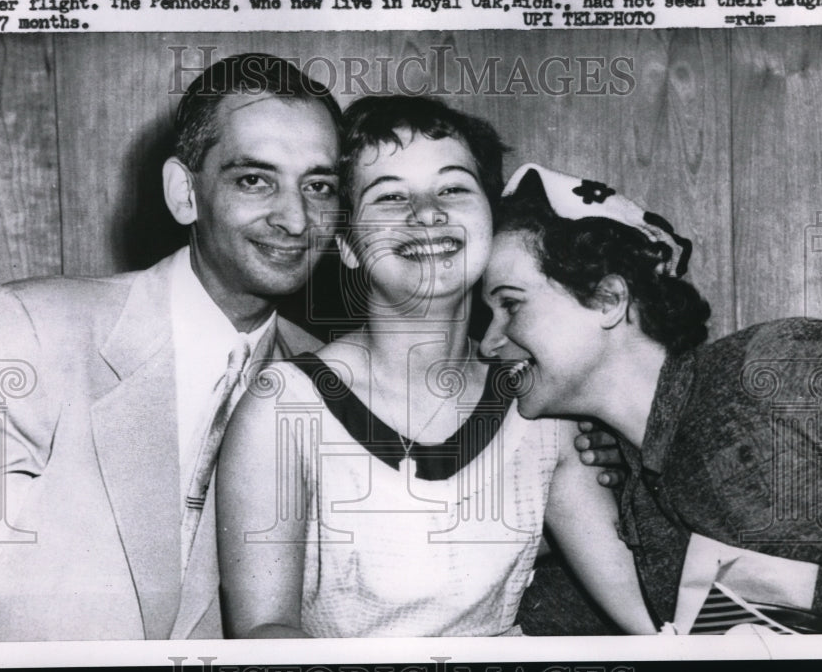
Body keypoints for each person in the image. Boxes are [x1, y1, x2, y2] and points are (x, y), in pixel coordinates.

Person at [0, 53, 343, 641]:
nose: (296, 219)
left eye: (318, 186)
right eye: (254, 180)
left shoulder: (331, 386)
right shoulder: (33, 328)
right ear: (184, 193)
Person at [216, 96, 655, 638]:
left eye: (453, 188)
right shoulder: (284, 404)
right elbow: (264, 634)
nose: (428, 213)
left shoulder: (539, 406)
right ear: (349, 245)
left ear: (490, 223)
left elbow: (651, 613)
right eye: (391, 196)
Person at [480, 163, 822, 637]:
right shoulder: (636, 503)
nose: (488, 344)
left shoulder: (772, 368)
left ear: (607, 299)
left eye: (511, 304)